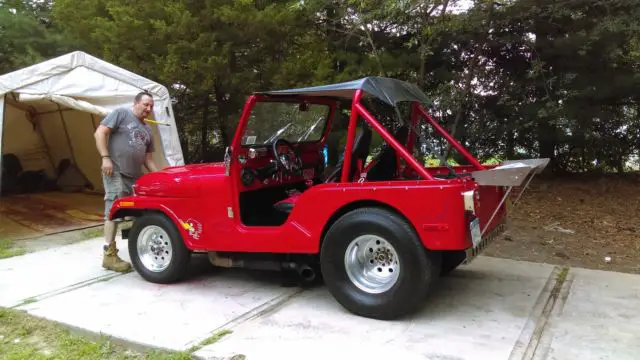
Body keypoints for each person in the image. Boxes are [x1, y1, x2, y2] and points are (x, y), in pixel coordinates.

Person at [94, 91, 159, 272]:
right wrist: (105, 157)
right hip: (115, 171)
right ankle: (109, 255)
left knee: (136, 212)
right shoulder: (121, 114)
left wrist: (160, 177)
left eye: (151, 106)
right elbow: (100, 132)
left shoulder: (147, 130)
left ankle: (138, 248)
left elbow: (148, 159)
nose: (148, 109)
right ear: (136, 102)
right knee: (113, 210)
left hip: (134, 176)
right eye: (146, 104)